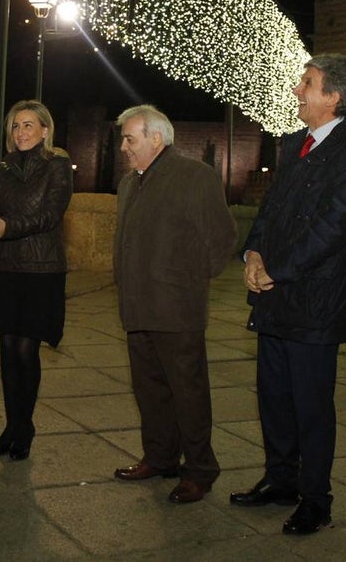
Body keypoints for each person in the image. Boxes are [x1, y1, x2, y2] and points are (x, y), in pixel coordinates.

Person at [231, 53, 346, 535]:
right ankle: (280, 481)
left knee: (311, 405)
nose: (298, 90)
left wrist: (278, 269)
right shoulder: (294, 144)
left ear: (333, 96)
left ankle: (317, 498)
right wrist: (253, 255)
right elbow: (269, 212)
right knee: (273, 395)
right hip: (275, 296)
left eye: (308, 83)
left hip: (316, 303)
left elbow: (332, 228)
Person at [111, 105, 236, 504]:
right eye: (123, 139)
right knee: (149, 389)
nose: (123, 147)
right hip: (137, 305)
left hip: (177, 308)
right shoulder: (131, 182)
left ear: (156, 138)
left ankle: (200, 469)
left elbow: (221, 239)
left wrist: (186, 279)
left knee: (187, 392)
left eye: (130, 139)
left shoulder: (194, 176)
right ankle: (160, 457)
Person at [0, 100, 72, 461]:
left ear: (45, 130)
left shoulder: (57, 165)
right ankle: (13, 425)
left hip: (41, 270)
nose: (21, 132)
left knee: (27, 349)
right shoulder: (5, 166)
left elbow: (49, 215)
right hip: (6, 268)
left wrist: (8, 227)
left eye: (29, 125)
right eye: (15, 126)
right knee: (8, 350)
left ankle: (24, 427)